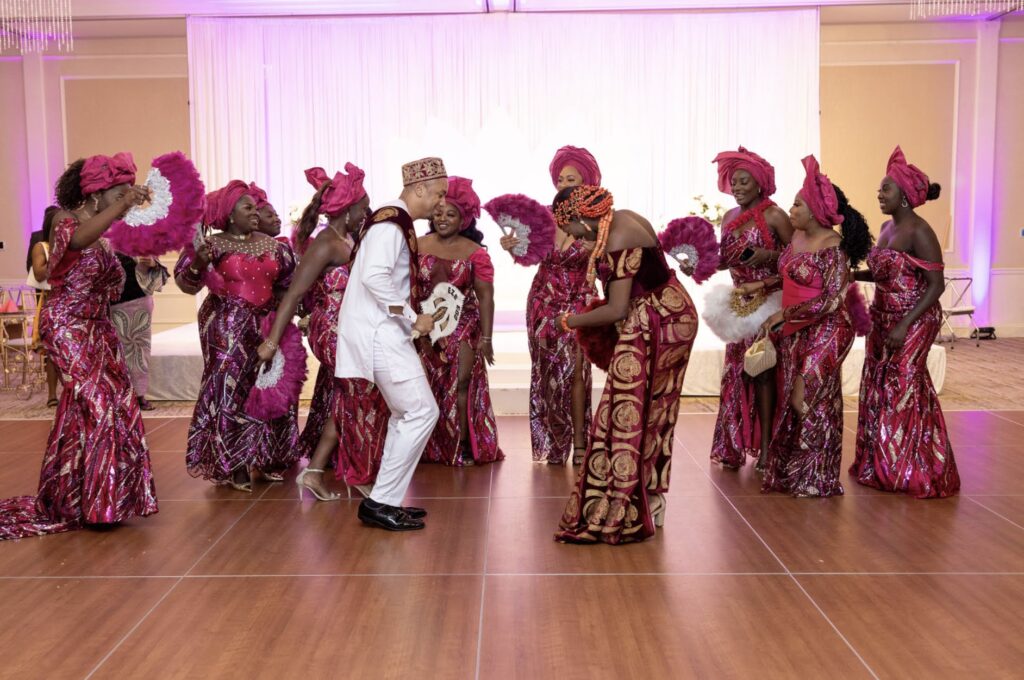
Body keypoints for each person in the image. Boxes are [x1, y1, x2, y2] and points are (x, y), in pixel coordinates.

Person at [1, 153, 158, 539]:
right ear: (97, 193)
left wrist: (146, 263)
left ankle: (75, 496)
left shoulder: (105, 236)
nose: (127, 198)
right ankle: (98, 504)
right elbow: (75, 242)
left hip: (97, 326)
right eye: (120, 192)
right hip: (66, 324)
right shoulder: (65, 221)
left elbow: (113, 284)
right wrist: (124, 204)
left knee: (110, 404)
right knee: (98, 402)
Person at [553, 185, 699, 545]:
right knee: (652, 409)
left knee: (624, 411)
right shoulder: (621, 219)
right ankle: (651, 498)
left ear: (579, 219)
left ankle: (621, 505)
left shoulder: (618, 235)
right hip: (668, 312)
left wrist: (570, 322)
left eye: (570, 230)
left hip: (657, 320)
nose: (572, 239)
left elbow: (617, 308)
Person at [259, 163, 388, 501]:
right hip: (332, 328)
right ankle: (356, 473)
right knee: (357, 393)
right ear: (348, 210)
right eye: (363, 207)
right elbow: (295, 294)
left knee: (349, 397)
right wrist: (272, 342)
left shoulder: (348, 238)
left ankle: (317, 472)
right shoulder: (325, 244)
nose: (367, 213)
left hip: (353, 326)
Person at [336, 157, 447, 531]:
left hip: (385, 332)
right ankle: (381, 502)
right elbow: (374, 277)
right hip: (380, 334)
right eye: (438, 194)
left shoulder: (395, 222)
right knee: (421, 413)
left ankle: (384, 501)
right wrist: (414, 317)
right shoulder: (391, 224)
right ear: (418, 189)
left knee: (409, 414)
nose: (441, 203)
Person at [753, 156, 872, 498]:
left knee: (808, 396)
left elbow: (833, 299)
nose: (790, 209)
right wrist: (759, 287)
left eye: (797, 204)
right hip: (799, 326)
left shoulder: (834, 248)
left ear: (817, 209)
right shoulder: (798, 240)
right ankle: (797, 472)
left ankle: (818, 476)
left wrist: (783, 316)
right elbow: (789, 275)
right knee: (796, 396)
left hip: (830, 327)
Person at [849, 146, 960, 498]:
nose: (879, 194)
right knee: (880, 385)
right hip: (883, 316)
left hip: (914, 319)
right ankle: (883, 463)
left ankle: (916, 468)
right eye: (880, 189)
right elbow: (885, 274)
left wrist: (903, 325)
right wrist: (851, 275)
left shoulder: (919, 231)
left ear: (906, 196)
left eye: (886, 189)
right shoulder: (885, 227)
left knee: (904, 386)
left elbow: (936, 286)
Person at [174, 181, 296, 492]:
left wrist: (284, 316)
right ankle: (235, 462)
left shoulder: (277, 247)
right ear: (229, 214)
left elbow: (288, 282)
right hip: (226, 327)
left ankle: (267, 456)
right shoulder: (211, 247)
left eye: (257, 208)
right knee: (231, 390)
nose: (256, 213)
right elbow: (187, 284)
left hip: (267, 324)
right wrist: (200, 261)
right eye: (248, 208)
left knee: (268, 389)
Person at [499, 145, 600, 466]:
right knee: (548, 374)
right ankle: (556, 442)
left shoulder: (598, 220)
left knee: (578, 372)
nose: (564, 184)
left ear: (587, 182)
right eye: (560, 179)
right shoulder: (543, 215)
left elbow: (609, 262)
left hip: (581, 300)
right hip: (543, 302)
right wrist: (512, 247)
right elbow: (527, 257)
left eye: (572, 178)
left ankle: (581, 442)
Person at [709, 147, 793, 470]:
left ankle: (769, 450)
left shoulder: (775, 216)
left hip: (769, 301)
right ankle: (731, 446)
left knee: (763, 372)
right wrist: (698, 264)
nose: (738, 187)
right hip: (738, 306)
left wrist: (769, 258)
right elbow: (723, 260)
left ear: (759, 184)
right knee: (735, 373)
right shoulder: (729, 218)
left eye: (744, 181)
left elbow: (799, 259)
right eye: (734, 182)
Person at [415, 176, 503, 466]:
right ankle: (425, 446)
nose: (442, 219)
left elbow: (485, 298)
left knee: (461, 382)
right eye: (438, 213)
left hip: (462, 325)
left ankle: (462, 443)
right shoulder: (417, 244)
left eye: (450, 214)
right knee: (424, 384)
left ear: (463, 218)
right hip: (423, 325)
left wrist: (486, 339)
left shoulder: (475, 253)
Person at [248, 183, 300, 481]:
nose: (275, 219)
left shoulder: (282, 249)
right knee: (256, 391)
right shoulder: (239, 250)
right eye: (269, 215)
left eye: (276, 214)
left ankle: (279, 452)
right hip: (248, 326)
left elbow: (290, 287)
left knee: (280, 388)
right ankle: (253, 453)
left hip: (277, 323)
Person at [110, 252, 168, 411]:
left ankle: (139, 394)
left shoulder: (140, 236)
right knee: (117, 350)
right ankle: (120, 394)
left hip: (139, 299)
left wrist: (152, 263)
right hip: (112, 303)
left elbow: (157, 266)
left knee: (140, 350)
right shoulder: (102, 238)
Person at [26, 205, 60, 406]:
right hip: (51, 303)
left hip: (72, 303)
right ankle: (52, 396)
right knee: (52, 352)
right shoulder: (42, 247)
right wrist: (60, 257)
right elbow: (39, 274)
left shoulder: (72, 245)